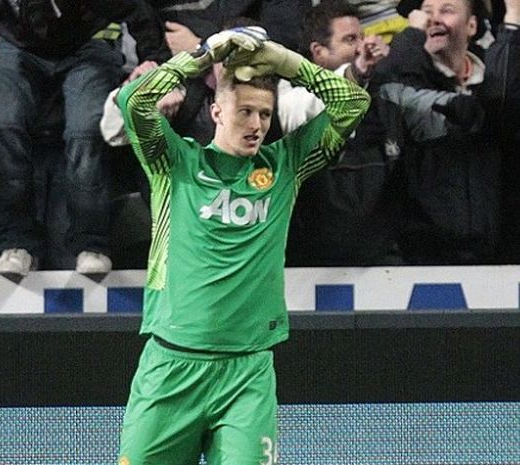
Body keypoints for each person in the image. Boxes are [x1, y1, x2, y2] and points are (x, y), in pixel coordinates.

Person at [115, 27, 369, 464]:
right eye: (245, 111)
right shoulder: (174, 163)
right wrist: (203, 54)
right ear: (216, 110)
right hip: (171, 365)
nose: (256, 126)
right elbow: (133, 101)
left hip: (247, 373)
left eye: (265, 115)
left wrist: (286, 61)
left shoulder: (286, 165)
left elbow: (353, 103)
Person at [0, 0, 168, 276]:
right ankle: (15, 244)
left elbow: (138, 7)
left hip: (88, 43)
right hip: (18, 44)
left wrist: (155, 62)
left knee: (86, 130)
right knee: (3, 124)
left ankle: (91, 244)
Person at [369, 0, 520, 264]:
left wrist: (513, 19)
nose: (434, 19)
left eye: (447, 10)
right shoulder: (407, 83)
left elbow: (500, 103)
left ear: (472, 25)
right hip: (424, 260)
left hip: (499, 260)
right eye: (427, 13)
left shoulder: (493, 80)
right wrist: (412, 35)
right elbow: (385, 86)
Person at [286, 0, 405, 266]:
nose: (361, 47)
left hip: (383, 265)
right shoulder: (288, 97)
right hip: (309, 267)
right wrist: (356, 72)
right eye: (350, 39)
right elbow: (314, 103)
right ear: (318, 51)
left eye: (362, 38)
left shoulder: (385, 98)